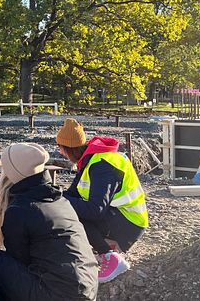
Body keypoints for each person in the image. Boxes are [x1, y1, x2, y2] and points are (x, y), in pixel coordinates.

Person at [0, 143, 98, 301]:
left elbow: (18, 262)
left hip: (57, 294)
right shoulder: (59, 200)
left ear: (13, 172)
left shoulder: (21, 209)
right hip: (85, 290)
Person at [57, 118, 148, 283]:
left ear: (68, 148)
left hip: (130, 223)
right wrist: (53, 195)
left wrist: (61, 201)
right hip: (119, 216)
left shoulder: (102, 165)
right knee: (66, 208)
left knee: (75, 215)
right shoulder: (90, 160)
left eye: (61, 148)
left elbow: (95, 210)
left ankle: (110, 257)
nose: (61, 153)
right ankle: (102, 248)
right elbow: (71, 194)